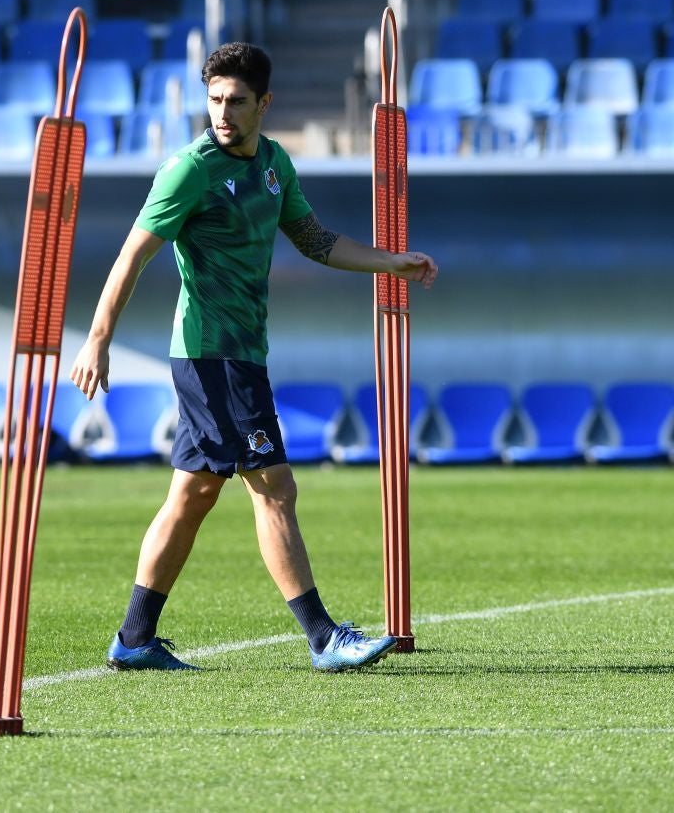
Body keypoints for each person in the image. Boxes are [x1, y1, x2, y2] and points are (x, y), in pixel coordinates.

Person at [69, 42, 438, 673]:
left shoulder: (274, 164)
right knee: (275, 487)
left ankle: (133, 639)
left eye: (236, 101)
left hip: (241, 354)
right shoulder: (190, 169)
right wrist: (98, 337)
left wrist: (389, 262)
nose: (223, 112)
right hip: (213, 353)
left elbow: (315, 240)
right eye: (213, 99)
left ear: (264, 103)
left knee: (193, 494)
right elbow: (132, 255)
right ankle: (324, 637)